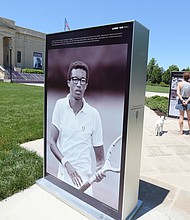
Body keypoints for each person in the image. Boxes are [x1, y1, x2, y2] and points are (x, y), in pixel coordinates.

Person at [50, 61, 105, 195]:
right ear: (69, 82)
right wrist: (67, 164)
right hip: (62, 177)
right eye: (75, 79)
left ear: (86, 85)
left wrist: (99, 172)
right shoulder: (60, 105)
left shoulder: (94, 114)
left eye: (82, 80)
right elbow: (52, 142)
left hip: (84, 183)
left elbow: (100, 159)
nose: (79, 84)